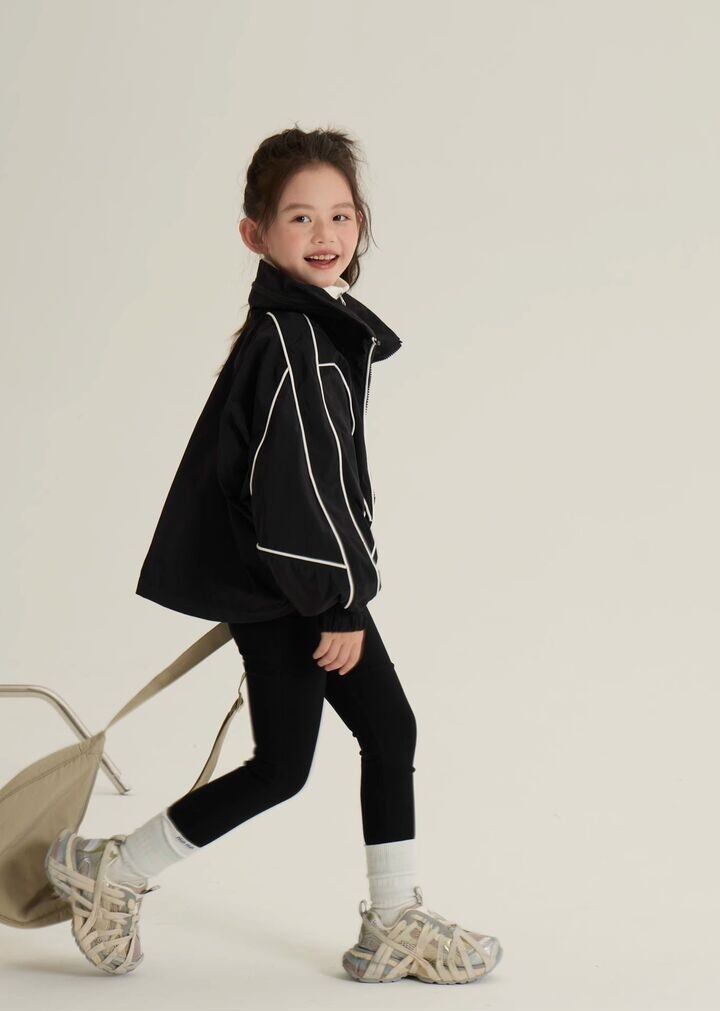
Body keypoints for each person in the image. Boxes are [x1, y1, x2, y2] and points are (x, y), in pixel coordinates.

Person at [44, 126, 503, 983]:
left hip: (289, 581)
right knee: (297, 762)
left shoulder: (307, 328)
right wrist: (339, 604)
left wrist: (338, 593)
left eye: (341, 214)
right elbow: (298, 490)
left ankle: (388, 920)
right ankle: (118, 869)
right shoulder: (294, 340)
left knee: (361, 737)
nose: (325, 234)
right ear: (255, 233)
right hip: (291, 587)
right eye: (300, 217)